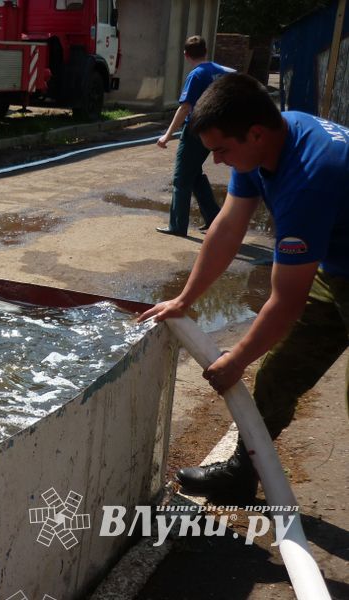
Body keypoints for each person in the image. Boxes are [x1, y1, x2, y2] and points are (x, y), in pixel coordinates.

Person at [139, 73, 349, 504]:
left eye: (221, 150)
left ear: (254, 134)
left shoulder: (309, 176)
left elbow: (286, 301)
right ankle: (243, 470)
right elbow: (228, 227)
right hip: (340, 266)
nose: (215, 162)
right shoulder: (265, 144)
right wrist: (185, 300)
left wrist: (235, 360)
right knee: (279, 372)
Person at [155, 35, 233, 237]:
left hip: (196, 131)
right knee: (195, 175)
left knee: (181, 180)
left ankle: (178, 226)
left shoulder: (196, 75)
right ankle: (213, 219)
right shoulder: (220, 72)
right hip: (217, 130)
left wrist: (167, 135)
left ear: (185, 54)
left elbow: (185, 108)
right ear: (206, 51)